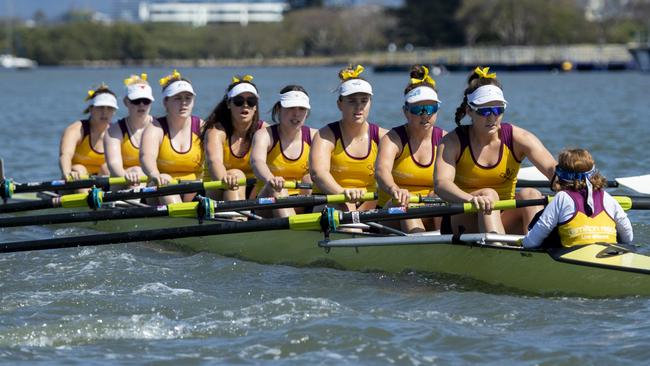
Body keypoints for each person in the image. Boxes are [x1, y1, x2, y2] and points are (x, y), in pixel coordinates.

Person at [434, 66, 557, 235]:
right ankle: (498, 247)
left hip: (502, 216)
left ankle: (536, 249)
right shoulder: (452, 142)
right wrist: (472, 200)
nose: (492, 117)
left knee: (531, 194)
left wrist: (570, 182)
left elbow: (551, 168)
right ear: (469, 111)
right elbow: (442, 185)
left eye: (498, 109)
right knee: (489, 194)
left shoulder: (519, 138)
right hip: (463, 217)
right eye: (484, 110)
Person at [376, 65, 446, 233]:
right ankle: (421, 246)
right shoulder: (393, 139)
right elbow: (381, 171)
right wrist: (395, 190)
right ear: (405, 112)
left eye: (430, 108)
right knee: (406, 203)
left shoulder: (446, 139)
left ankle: (442, 244)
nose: (425, 115)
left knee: (441, 197)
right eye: (417, 109)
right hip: (393, 213)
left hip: (431, 210)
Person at [309, 65, 388, 211]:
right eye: (351, 101)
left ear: (370, 103)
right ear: (339, 104)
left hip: (368, 203)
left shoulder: (383, 137)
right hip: (331, 200)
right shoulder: (326, 135)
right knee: (348, 212)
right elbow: (318, 173)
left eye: (364, 101)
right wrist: (343, 193)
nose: (359, 107)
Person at [522, 148, 633, 248]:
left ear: (560, 174)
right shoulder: (608, 198)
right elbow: (628, 237)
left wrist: (523, 244)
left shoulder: (562, 198)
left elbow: (532, 242)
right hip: (609, 255)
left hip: (574, 258)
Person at [250, 85, 316, 217]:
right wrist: (271, 179)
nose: (296, 114)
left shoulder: (315, 136)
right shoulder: (264, 135)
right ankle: (293, 234)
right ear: (279, 109)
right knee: (278, 188)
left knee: (309, 179)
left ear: (307, 112)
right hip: (266, 202)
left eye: (302, 109)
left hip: (301, 202)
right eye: (291, 107)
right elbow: (257, 162)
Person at [140, 70, 204, 203]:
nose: (184, 103)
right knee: (166, 183)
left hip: (194, 189)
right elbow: (147, 158)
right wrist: (155, 175)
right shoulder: (155, 128)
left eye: (188, 98)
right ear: (165, 102)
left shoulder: (202, 127)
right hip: (160, 189)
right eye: (177, 98)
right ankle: (179, 219)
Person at [202, 75, 268, 201]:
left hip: (254, 192)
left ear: (255, 106)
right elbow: (214, 162)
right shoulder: (216, 132)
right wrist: (227, 179)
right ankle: (237, 218)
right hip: (219, 188)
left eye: (251, 101)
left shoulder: (265, 131)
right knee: (236, 175)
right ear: (228, 104)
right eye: (238, 101)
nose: (245, 106)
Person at [104, 73, 154, 187]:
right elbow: (113, 164)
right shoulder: (114, 131)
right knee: (135, 170)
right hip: (122, 183)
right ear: (126, 102)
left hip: (151, 182)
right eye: (136, 101)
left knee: (139, 171)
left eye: (146, 101)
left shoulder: (159, 127)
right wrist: (129, 179)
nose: (141, 105)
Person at [59, 83, 118, 180]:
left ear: (114, 111)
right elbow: (65, 155)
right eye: (100, 107)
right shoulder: (76, 130)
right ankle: (86, 193)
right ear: (91, 109)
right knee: (79, 169)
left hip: (103, 182)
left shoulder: (117, 132)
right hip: (75, 181)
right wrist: (67, 172)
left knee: (107, 168)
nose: (105, 112)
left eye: (109, 108)